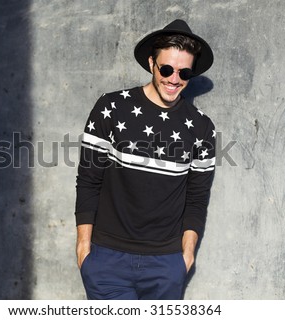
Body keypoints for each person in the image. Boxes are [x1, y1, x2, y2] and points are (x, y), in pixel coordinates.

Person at [74, 19, 216, 300]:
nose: (174, 79)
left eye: (184, 73)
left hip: (166, 265)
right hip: (106, 261)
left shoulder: (201, 127)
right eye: (166, 69)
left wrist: (185, 257)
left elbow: (197, 198)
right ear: (152, 62)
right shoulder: (111, 108)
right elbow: (89, 180)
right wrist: (83, 249)